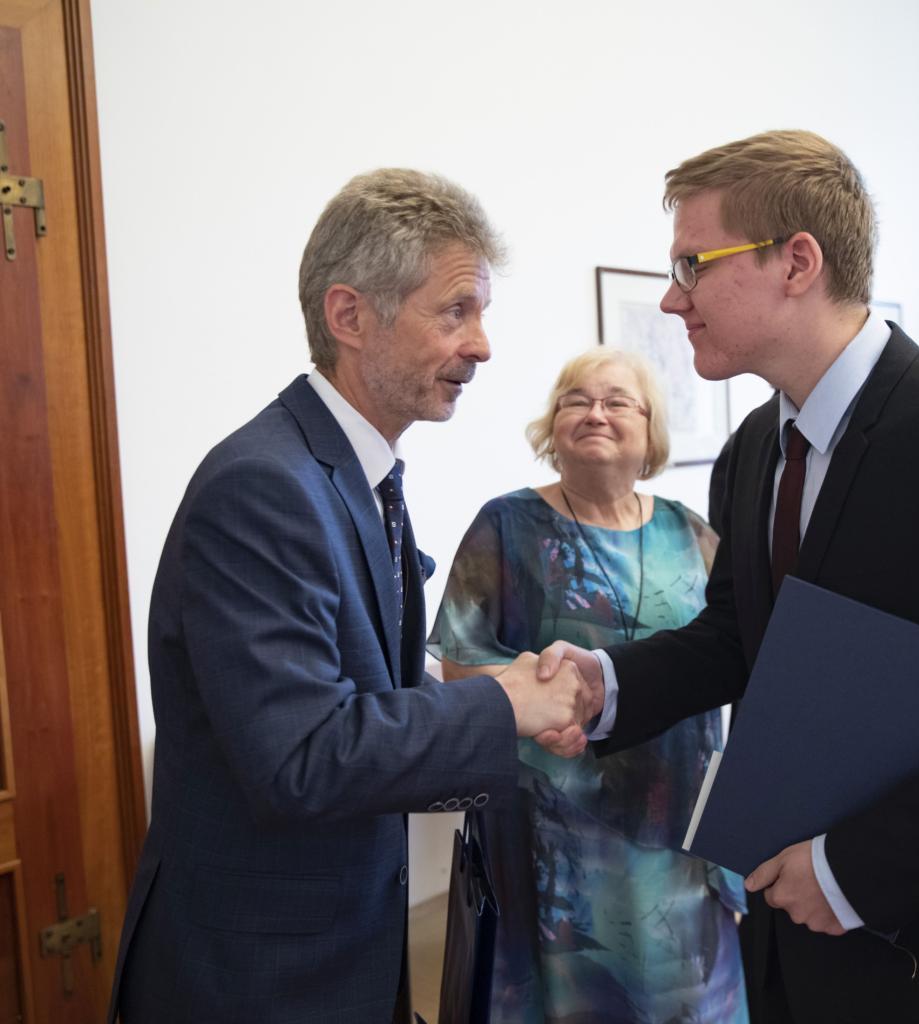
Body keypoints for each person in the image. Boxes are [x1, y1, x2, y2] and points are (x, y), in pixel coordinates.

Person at [537, 130, 919, 1023]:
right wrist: (609, 682)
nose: (671, 298)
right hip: (791, 947)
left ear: (797, 262)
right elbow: (747, 639)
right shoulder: (752, 451)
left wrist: (854, 870)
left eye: (694, 265)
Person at [107, 169, 593, 1024]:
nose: (482, 346)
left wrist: (493, 697)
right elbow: (302, 756)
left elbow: (366, 700)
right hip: (255, 982)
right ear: (348, 316)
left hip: (345, 959)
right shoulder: (262, 487)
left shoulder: (357, 476)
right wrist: (500, 706)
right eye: (455, 311)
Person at [430, 348, 749, 1023]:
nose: (594, 412)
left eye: (615, 400)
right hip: (551, 848)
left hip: (678, 843)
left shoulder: (692, 535)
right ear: (553, 424)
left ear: (650, 427)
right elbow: (459, 665)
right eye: (576, 399)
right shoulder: (505, 525)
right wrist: (540, 706)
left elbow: (735, 655)